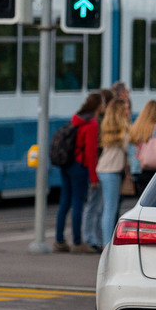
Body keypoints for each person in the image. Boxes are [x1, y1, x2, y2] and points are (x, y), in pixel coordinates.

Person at [54, 91, 104, 254]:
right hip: (79, 166)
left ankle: (59, 240)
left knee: (65, 202)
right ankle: (77, 242)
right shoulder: (92, 124)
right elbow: (91, 153)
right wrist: (94, 177)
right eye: (103, 103)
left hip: (67, 164)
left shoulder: (77, 118)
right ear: (97, 106)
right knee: (77, 204)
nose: (104, 106)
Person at [81, 88, 114, 252]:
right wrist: (93, 176)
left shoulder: (96, 120)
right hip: (98, 167)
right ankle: (91, 238)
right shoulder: (97, 122)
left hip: (97, 167)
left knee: (97, 205)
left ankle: (94, 237)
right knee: (95, 204)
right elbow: (92, 152)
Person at [97, 98, 130, 247]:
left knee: (105, 208)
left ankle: (103, 241)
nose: (128, 111)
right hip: (112, 171)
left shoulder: (109, 127)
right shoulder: (122, 131)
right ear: (120, 113)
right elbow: (129, 149)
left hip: (103, 169)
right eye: (126, 109)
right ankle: (107, 244)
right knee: (110, 209)